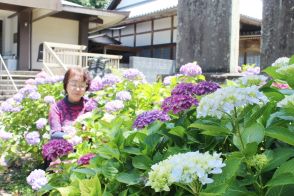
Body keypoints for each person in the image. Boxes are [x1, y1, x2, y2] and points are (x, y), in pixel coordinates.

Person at [49, 67, 92, 139]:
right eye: (74, 85)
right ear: (66, 85)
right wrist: (73, 136)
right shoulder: (56, 108)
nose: (78, 89)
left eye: (82, 85)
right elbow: (54, 133)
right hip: (66, 147)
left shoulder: (90, 105)